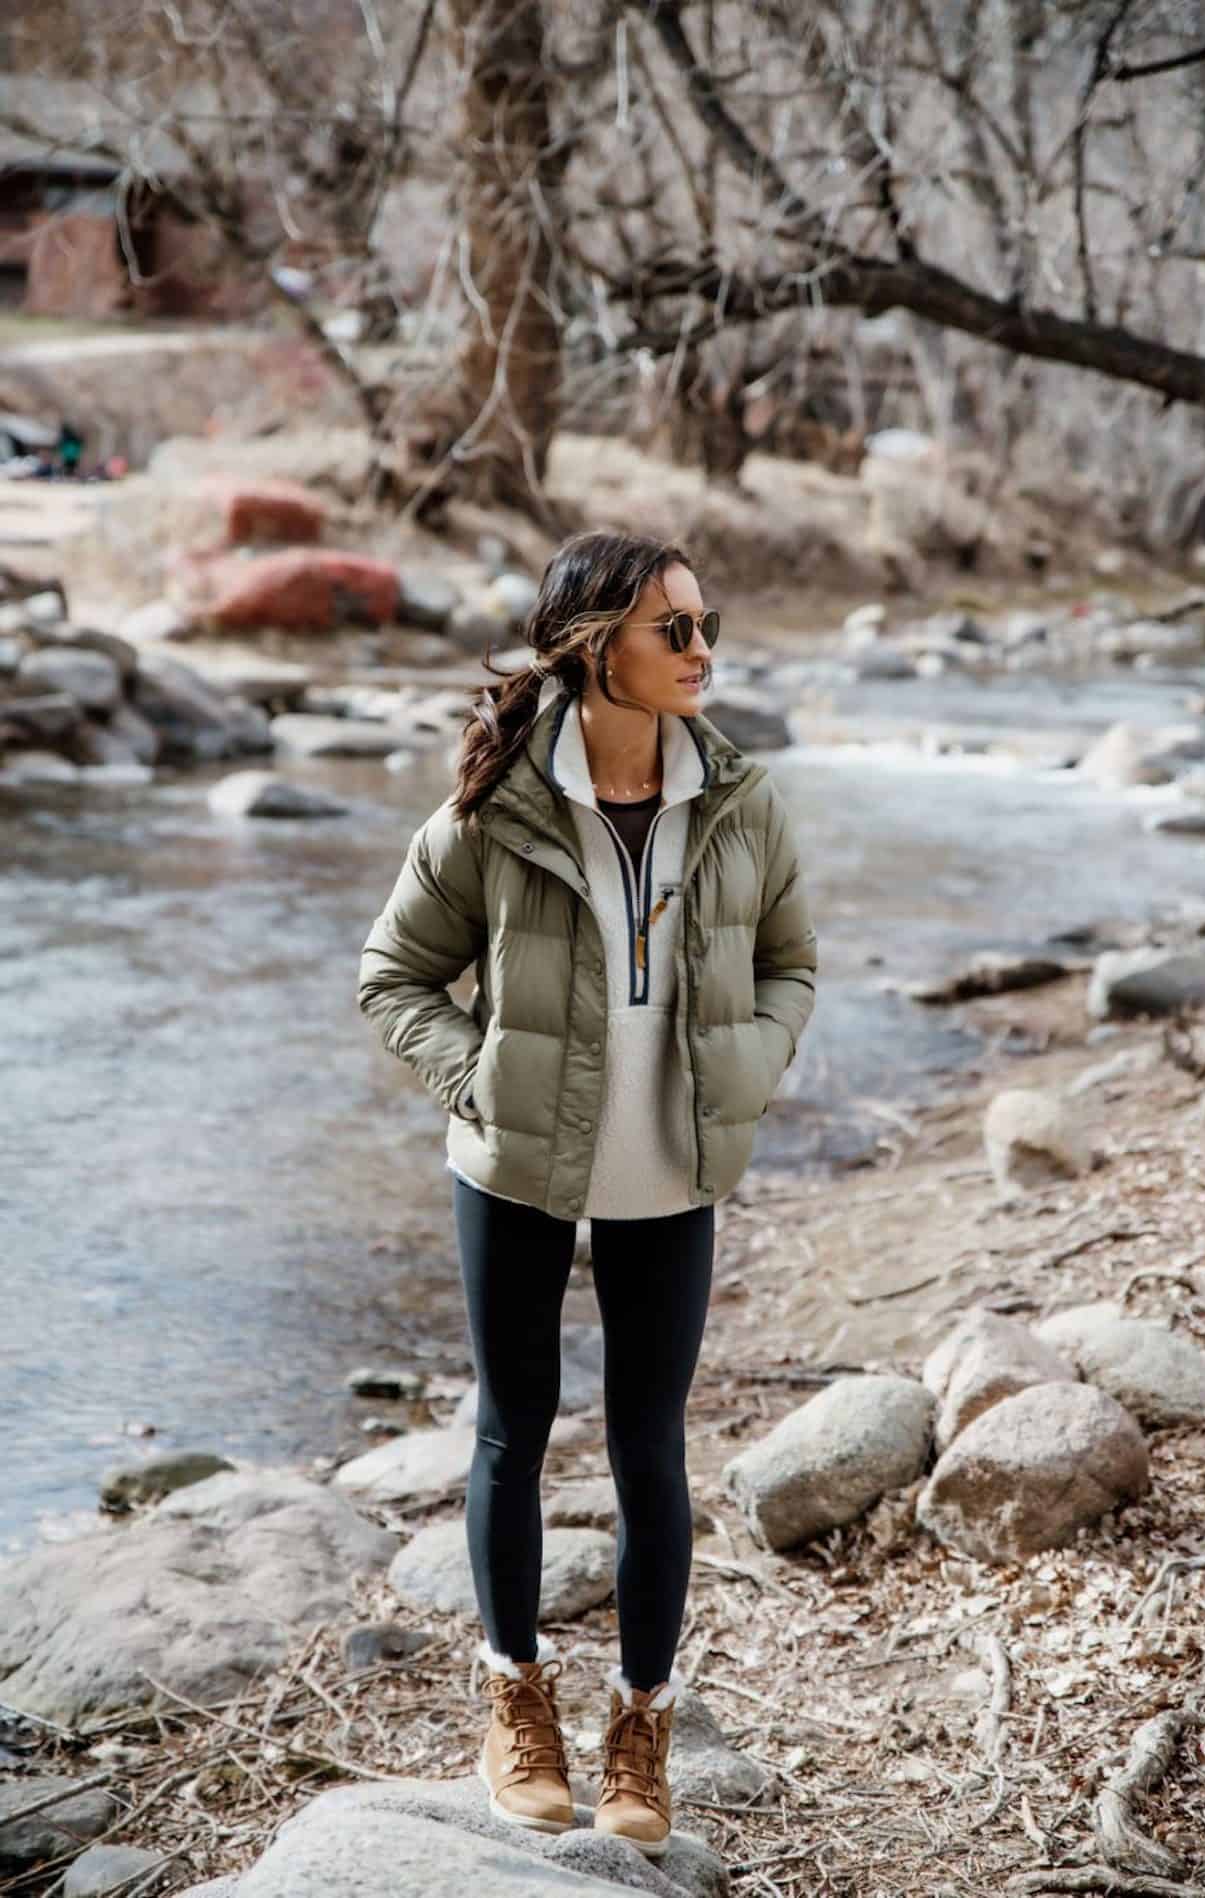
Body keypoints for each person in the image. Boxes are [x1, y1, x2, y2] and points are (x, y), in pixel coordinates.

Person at [357, 528, 817, 1858]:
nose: (702, 649)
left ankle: (640, 1723)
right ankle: (515, 1697)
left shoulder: (739, 800)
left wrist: (753, 1060)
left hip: (669, 1168)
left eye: (706, 624)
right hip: (514, 1161)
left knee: (648, 1446)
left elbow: (790, 962)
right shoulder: (496, 807)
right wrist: (479, 1080)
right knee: (512, 1429)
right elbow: (393, 977)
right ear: (593, 645)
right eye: (674, 628)